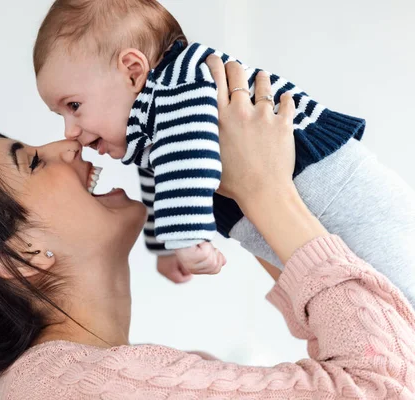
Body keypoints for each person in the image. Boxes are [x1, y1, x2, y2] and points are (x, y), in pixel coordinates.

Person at [0, 57, 415, 399]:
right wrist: (267, 194)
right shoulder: (92, 389)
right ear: (22, 253)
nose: (68, 144)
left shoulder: (76, 382)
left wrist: (249, 207)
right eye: (34, 163)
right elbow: (386, 386)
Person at [33, 0, 415, 305]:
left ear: (133, 71)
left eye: (74, 106)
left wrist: (184, 238)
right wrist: (164, 245)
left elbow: (186, 156)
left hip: (344, 197)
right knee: (376, 312)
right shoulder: (152, 123)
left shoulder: (178, 84)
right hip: (312, 220)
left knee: (400, 298)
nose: (71, 131)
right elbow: (163, 176)